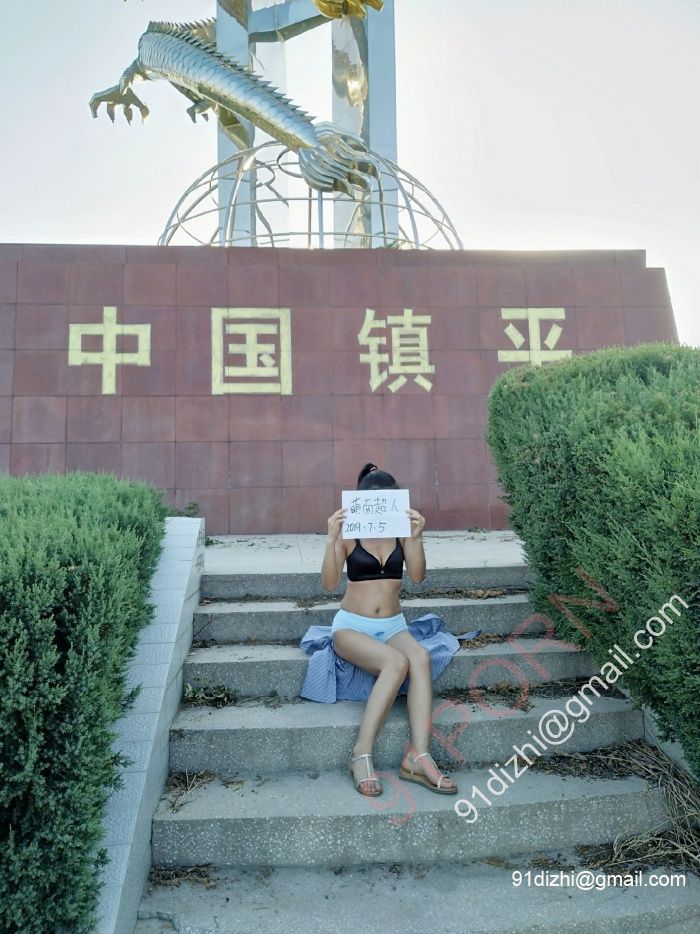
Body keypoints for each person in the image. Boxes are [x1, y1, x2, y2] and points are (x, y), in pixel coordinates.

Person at [322, 463, 458, 797]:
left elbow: (418, 576)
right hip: (351, 627)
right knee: (396, 663)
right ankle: (361, 754)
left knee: (420, 658)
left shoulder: (401, 531)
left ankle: (418, 756)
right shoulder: (350, 532)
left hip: (393, 625)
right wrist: (331, 539)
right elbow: (329, 584)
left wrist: (417, 537)